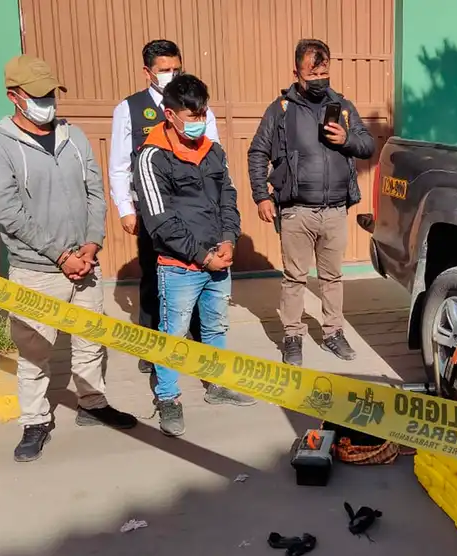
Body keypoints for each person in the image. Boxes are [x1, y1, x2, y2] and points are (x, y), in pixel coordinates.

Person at [0, 55, 138, 462]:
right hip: (36, 270)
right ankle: (35, 421)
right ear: (15, 97)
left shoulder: (74, 135)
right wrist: (60, 255)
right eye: (39, 95)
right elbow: (8, 210)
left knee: (90, 341)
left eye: (51, 92)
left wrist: (91, 244)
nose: (49, 100)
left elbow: (95, 192)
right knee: (35, 351)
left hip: (84, 264)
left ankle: (93, 403)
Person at [135, 73, 256, 437]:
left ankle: (216, 385)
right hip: (180, 266)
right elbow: (160, 221)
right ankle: (168, 398)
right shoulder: (152, 157)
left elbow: (227, 199)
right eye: (192, 115)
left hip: (218, 259)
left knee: (215, 326)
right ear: (169, 116)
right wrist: (203, 256)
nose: (199, 121)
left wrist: (228, 240)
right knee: (172, 334)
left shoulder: (213, 150)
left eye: (203, 112)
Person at [247, 38, 375, 367]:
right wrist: (261, 194)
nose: (320, 78)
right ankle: (293, 336)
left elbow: (367, 144)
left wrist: (346, 139)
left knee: (332, 277)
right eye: (312, 72)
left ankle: (333, 333)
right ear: (297, 72)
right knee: (295, 278)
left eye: (324, 71)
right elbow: (258, 152)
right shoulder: (281, 109)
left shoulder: (343, 106)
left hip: (334, 210)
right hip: (296, 211)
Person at [109, 39, 218, 374]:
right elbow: (118, 165)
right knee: (153, 277)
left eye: (176, 69)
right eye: (164, 70)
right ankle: (153, 346)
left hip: (194, 210)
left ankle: (200, 342)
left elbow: (214, 155)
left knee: (198, 273)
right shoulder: (129, 109)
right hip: (151, 211)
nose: (171, 75)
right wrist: (126, 208)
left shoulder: (198, 107)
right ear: (148, 72)